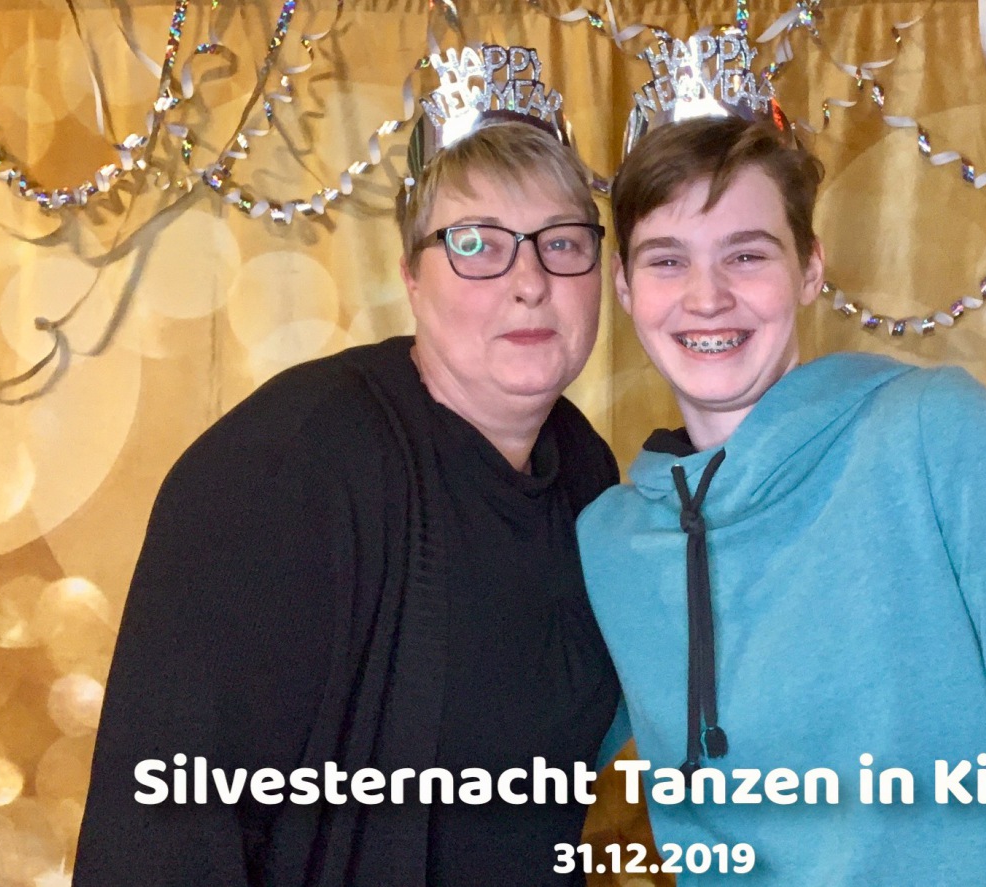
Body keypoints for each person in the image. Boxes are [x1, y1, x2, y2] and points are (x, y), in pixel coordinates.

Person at [578, 114, 986, 884]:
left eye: (746, 255)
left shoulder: (933, 432)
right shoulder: (610, 541)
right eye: (668, 261)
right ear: (624, 286)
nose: (707, 296)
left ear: (810, 268)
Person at [75, 48, 620, 885]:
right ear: (412, 276)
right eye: (475, 243)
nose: (529, 281)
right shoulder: (290, 464)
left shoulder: (587, 474)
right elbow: (165, 823)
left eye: (561, 242)